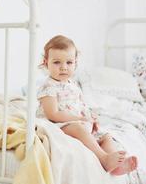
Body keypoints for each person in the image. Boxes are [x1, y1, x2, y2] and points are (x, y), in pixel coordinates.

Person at [36, 35, 137, 175]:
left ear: (75, 63)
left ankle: (116, 166)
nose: (64, 68)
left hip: (77, 123)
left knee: (105, 136)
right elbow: (53, 114)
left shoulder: (72, 85)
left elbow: (81, 105)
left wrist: (90, 118)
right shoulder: (49, 87)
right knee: (78, 128)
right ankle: (104, 158)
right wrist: (81, 120)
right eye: (57, 62)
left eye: (69, 63)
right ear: (46, 63)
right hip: (57, 125)